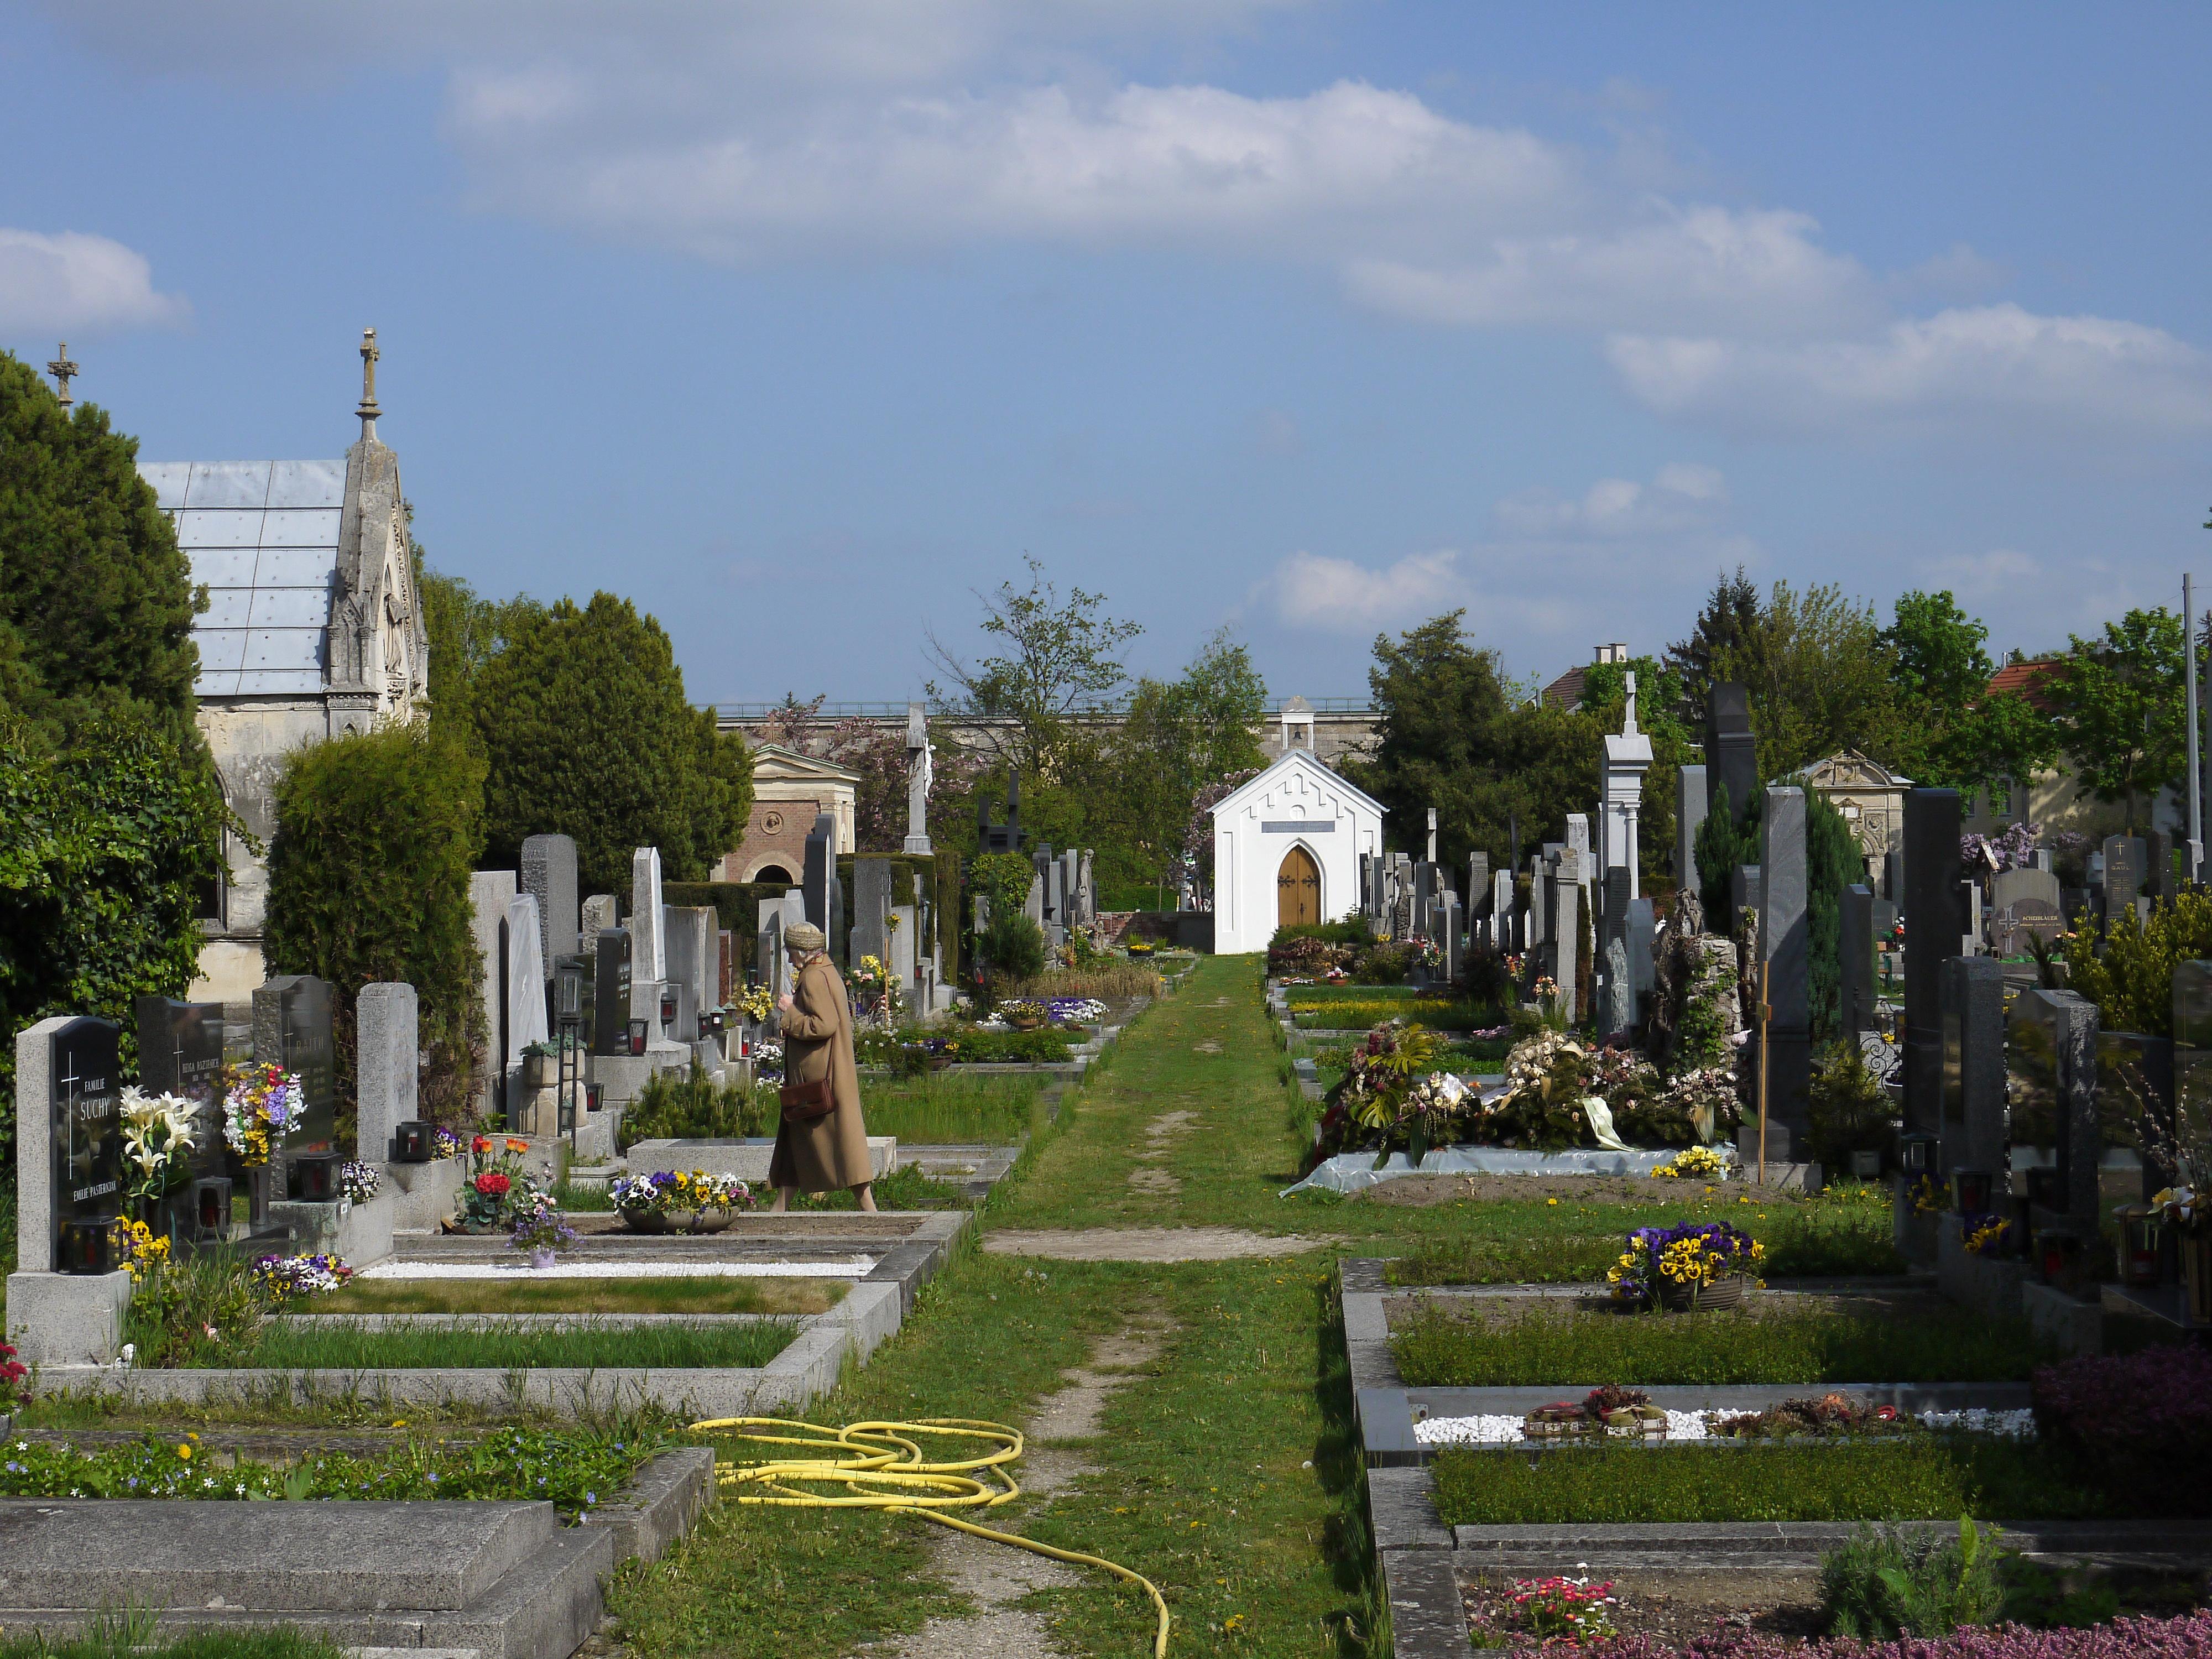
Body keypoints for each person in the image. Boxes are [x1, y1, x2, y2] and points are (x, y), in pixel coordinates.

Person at [766, 922, 876, 1213]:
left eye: (791, 953)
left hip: (818, 1079)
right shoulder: (827, 971)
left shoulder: (814, 978)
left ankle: (871, 1213)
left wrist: (790, 1012)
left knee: (840, 1144)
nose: (790, 959)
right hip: (826, 1074)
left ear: (804, 952)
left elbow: (823, 1024)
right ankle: (778, 1211)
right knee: (799, 1142)